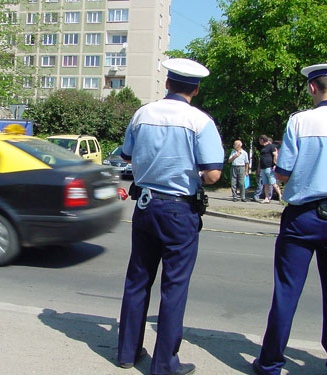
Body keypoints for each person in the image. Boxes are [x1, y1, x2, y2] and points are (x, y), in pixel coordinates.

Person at [253, 63, 327, 375]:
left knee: (287, 292)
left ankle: (271, 362)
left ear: (312, 88)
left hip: (301, 218)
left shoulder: (299, 122)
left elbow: (284, 172)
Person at [117, 58, 224, 375]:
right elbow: (214, 174)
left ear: (167, 84)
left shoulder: (142, 114)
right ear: (197, 88)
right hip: (178, 209)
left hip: (145, 205)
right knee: (174, 286)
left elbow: (126, 156)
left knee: (138, 279)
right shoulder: (199, 122)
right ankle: (164, 364)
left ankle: (126, 352)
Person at [258, 134, 282, 203]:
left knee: (273, 182)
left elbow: (275, 155)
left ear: (262, 140)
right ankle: (266, 198)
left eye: (260, 140)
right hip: (263, 168)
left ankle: (280, 195)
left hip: (269, 167)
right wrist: (259, 168)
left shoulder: (271, 146)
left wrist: (275, 164)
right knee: (266, 184)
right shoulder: (263, 148)